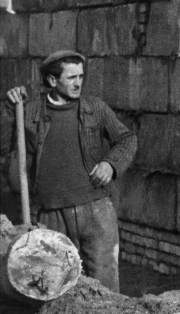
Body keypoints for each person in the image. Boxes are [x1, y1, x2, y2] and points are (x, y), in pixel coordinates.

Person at [0, 51, 138, 292]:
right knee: (56, 287)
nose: (78, 83)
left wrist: (111, 164)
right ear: (53, 81)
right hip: (51, 214)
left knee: (105, 288)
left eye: (81, 76)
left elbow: (127, 138)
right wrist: (10, 110)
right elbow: (4, 146)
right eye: (71, 77)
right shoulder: (30, 111)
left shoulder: (94, 108)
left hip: (96, 211)